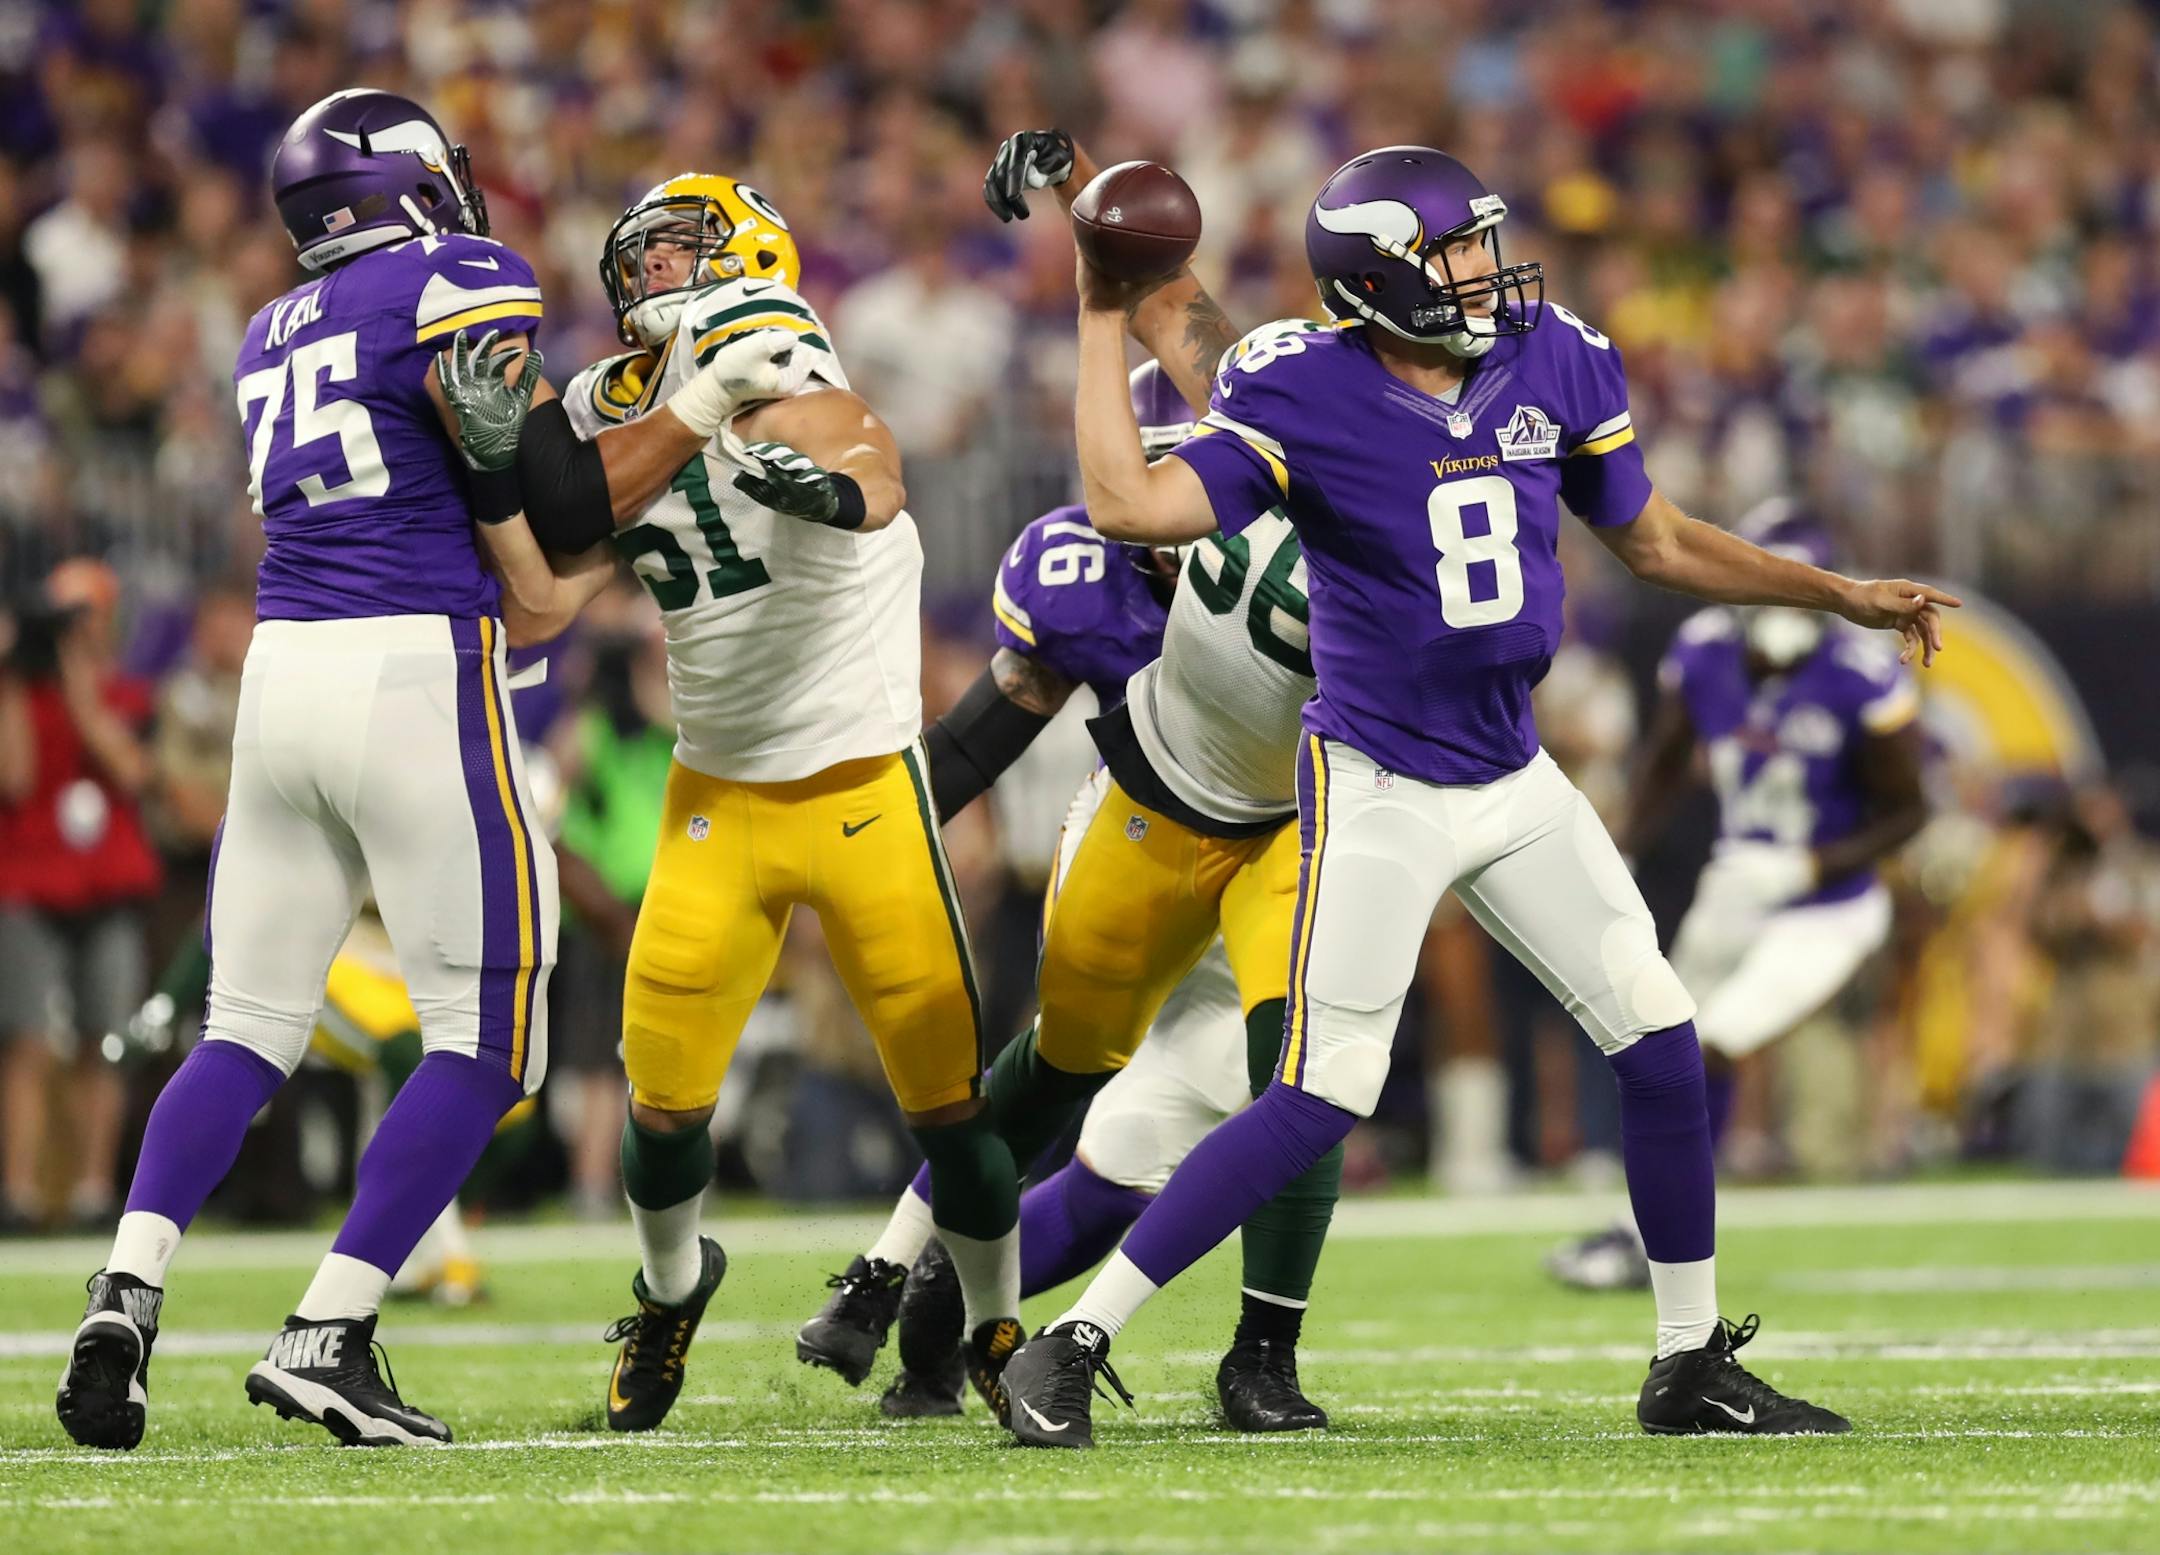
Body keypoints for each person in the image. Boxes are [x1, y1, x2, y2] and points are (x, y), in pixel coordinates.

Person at [983, 131, 1957, 1447]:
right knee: (1322, 1089)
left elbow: (1655, 536)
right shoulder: (1299, 386)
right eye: (1456, 252)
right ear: (1381, 278)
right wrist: (1102, 311)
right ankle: (1073, 1339)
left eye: (1484, 243)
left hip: (1510, 768)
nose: (1489, 269)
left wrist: (1839, 595)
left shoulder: (1554, 353)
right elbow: (1130, 504)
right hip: (1379, 775)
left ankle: (1687, 1360)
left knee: (1660, 1036)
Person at [56, 88, 769, 1452]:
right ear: (410, 183)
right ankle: (330, 1326)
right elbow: (537, 503)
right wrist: (687, 417)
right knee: (493, 1037)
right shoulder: (460, 274)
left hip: (283, 677)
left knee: (244, 1025)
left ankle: (126, 1289)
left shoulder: (269, 328)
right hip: (413, 672)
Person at [518, 172, 1026, 1433]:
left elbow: (861, 443)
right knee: (660, 1103)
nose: (650, 268)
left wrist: (844, 493)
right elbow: (553, 581)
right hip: (718, 794)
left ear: (748, 250)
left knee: (948, 1106)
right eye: (638, 252)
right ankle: (670, 1289)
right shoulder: (609, 401)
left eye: (678, 245)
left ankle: (996, 1326)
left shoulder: (760, 331)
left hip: (863, 789)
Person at [802, 352, 1340, 1433]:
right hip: (1146, 845)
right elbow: (976, 742)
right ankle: (894, 1266)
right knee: (1058, 1065)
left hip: (1288, 860)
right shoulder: (1082, 573)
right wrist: (859, 837)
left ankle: (1245, 1356)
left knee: (1162, 1156)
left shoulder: (1326, 549)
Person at [1549, 501, 1929, 1289]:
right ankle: (1636, 1229)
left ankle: (1664, 1243)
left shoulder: (1859, 675)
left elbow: (1909, 810)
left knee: (1713, 1043)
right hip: (1735, 884)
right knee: (1659, 1046)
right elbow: (1663, 761)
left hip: (1829, 905)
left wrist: (1812, 868)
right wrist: (1622, 845)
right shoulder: (1703, 650)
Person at [0, 559, 160, 1234]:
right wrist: (13, 675)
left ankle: (96, 1191)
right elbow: (14, 778)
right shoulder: (18, 692)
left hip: (108, 884)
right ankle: (19, 1194)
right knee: (26, 1041)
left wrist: (79, 689)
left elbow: (131, 768)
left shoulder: (127, 691)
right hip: (30, 881)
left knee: (107, 1040)